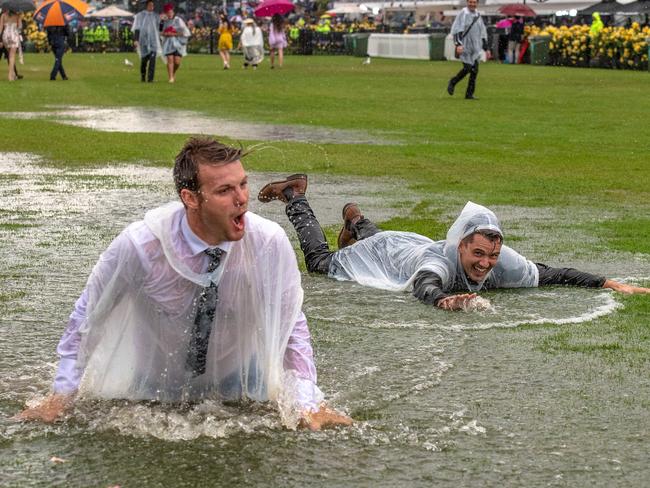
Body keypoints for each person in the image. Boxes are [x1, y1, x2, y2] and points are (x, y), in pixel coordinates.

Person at [18, 139, 352, 432]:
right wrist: (60, 396)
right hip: (153, 386)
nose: (242, 200)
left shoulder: (267, 242)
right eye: (224, 190)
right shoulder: (140, 246)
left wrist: (307, 401)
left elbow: (291, 322)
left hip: (239, 383)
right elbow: (88, 318)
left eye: (243, 184)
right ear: (190, 198)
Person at [258, 175, 650, 311]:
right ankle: (295, 195)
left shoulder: (503, 259)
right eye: (477, 254)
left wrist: (606, 282)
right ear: (460, 245)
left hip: (402, 244)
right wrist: (446, 299)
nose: (485, 264)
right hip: (389, 252)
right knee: (320, 263)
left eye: (491, 256)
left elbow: (553, 274)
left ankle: (356, 220)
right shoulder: (441, 264)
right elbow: (424, 286)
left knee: (387, 242)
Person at [447, 0, 488, 100]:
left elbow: (482, 30)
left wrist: (485, 45)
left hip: (475, 47)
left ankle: (469, 94)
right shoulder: (463, 13)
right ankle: (453, 81)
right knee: (468, 68)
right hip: (465, 46)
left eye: (474, 2)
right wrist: (458, 44)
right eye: (470, 2)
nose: (472, 4)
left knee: (474, 71)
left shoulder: (478, 14)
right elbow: (456, 29)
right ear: (467, 2)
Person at [132, 0, 162, 82]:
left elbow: (160, 28)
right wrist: (136, 39)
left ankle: (150, 79)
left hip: (153, 42)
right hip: (143, 41)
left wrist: (162, 20)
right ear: (146, 6)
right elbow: (137, 28)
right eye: (150, 5)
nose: (151, 7)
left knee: (152, 60)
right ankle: (143, 76)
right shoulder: (140, 16)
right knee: (144, 60)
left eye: (152, 5)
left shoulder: (156, 16)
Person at [160, 3, 190, 83]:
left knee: (177, 62)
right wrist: (165, 34)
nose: (169, 14)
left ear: (173, 12)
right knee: (170, 60)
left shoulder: (178, 20)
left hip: (178, 44)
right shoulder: (164, 22)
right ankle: (171, 78)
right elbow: (160, 32)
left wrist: (173, 34)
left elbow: (184, 32)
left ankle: (172, 73)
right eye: (167, 13)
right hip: (168, 43)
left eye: (170, 12)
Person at [0, 9, 22, 82]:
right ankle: (10, 76)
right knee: (12, 56)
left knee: (10, 55)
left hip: (5, 36)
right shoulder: (17, 15)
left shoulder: (3, 15)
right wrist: (19, 18)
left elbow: (0, 29)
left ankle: (13, 74)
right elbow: (19, 27)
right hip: (14, 35)